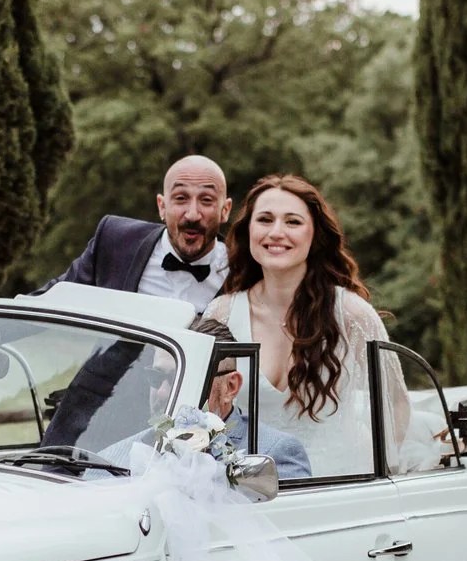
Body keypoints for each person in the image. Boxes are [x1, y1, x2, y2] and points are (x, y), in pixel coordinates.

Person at [205, 175, 394, 478]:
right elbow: (205, 413)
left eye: (292, 222)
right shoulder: (221, 314)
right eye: (265, 220)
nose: (276, 232)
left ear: (315, 234)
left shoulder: (353, 315)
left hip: (338, 486)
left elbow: (394, 410)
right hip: (246, 491)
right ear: (248, 230)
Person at [44, 154, 230, 307]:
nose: (192, 214)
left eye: (206, 200)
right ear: (162, 206)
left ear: (225, 210)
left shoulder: (243, 271)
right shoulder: (114, 241)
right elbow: (48, 301)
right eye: (181, 198)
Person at [189, 316, 313, 479]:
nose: (162, 391)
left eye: (191, 379)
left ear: (230, 387)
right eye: (155, 376)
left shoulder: (276, 453)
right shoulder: (146, 442)